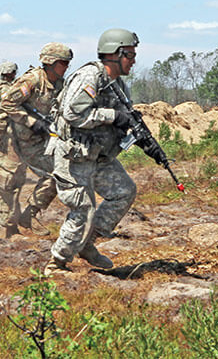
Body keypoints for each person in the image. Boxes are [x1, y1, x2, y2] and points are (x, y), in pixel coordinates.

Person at [44, 28, 153, 275]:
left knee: (123, 191)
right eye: (130, 55)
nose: (134, 60)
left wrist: (137, 135)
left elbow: (120, 120)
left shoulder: (118, 86)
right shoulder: (89, 77)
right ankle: (57, 262)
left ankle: (86, 244)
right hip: (74, 155)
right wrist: (113, 116)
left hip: (98, 155)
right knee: (83, 208)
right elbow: (74, 114)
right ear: (115, 54)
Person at [0, 43, 72, 238]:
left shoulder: (60, 84)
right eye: (63, 63)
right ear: (51, 62)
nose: (66, 67)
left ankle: (30, 214)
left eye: (68, 63)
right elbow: (7, 102)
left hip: (36, 142)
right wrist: (30, 121)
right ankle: (10, 230)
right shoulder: (32, 80)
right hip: (13, 140)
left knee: (57, 174)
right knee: (10, 182)